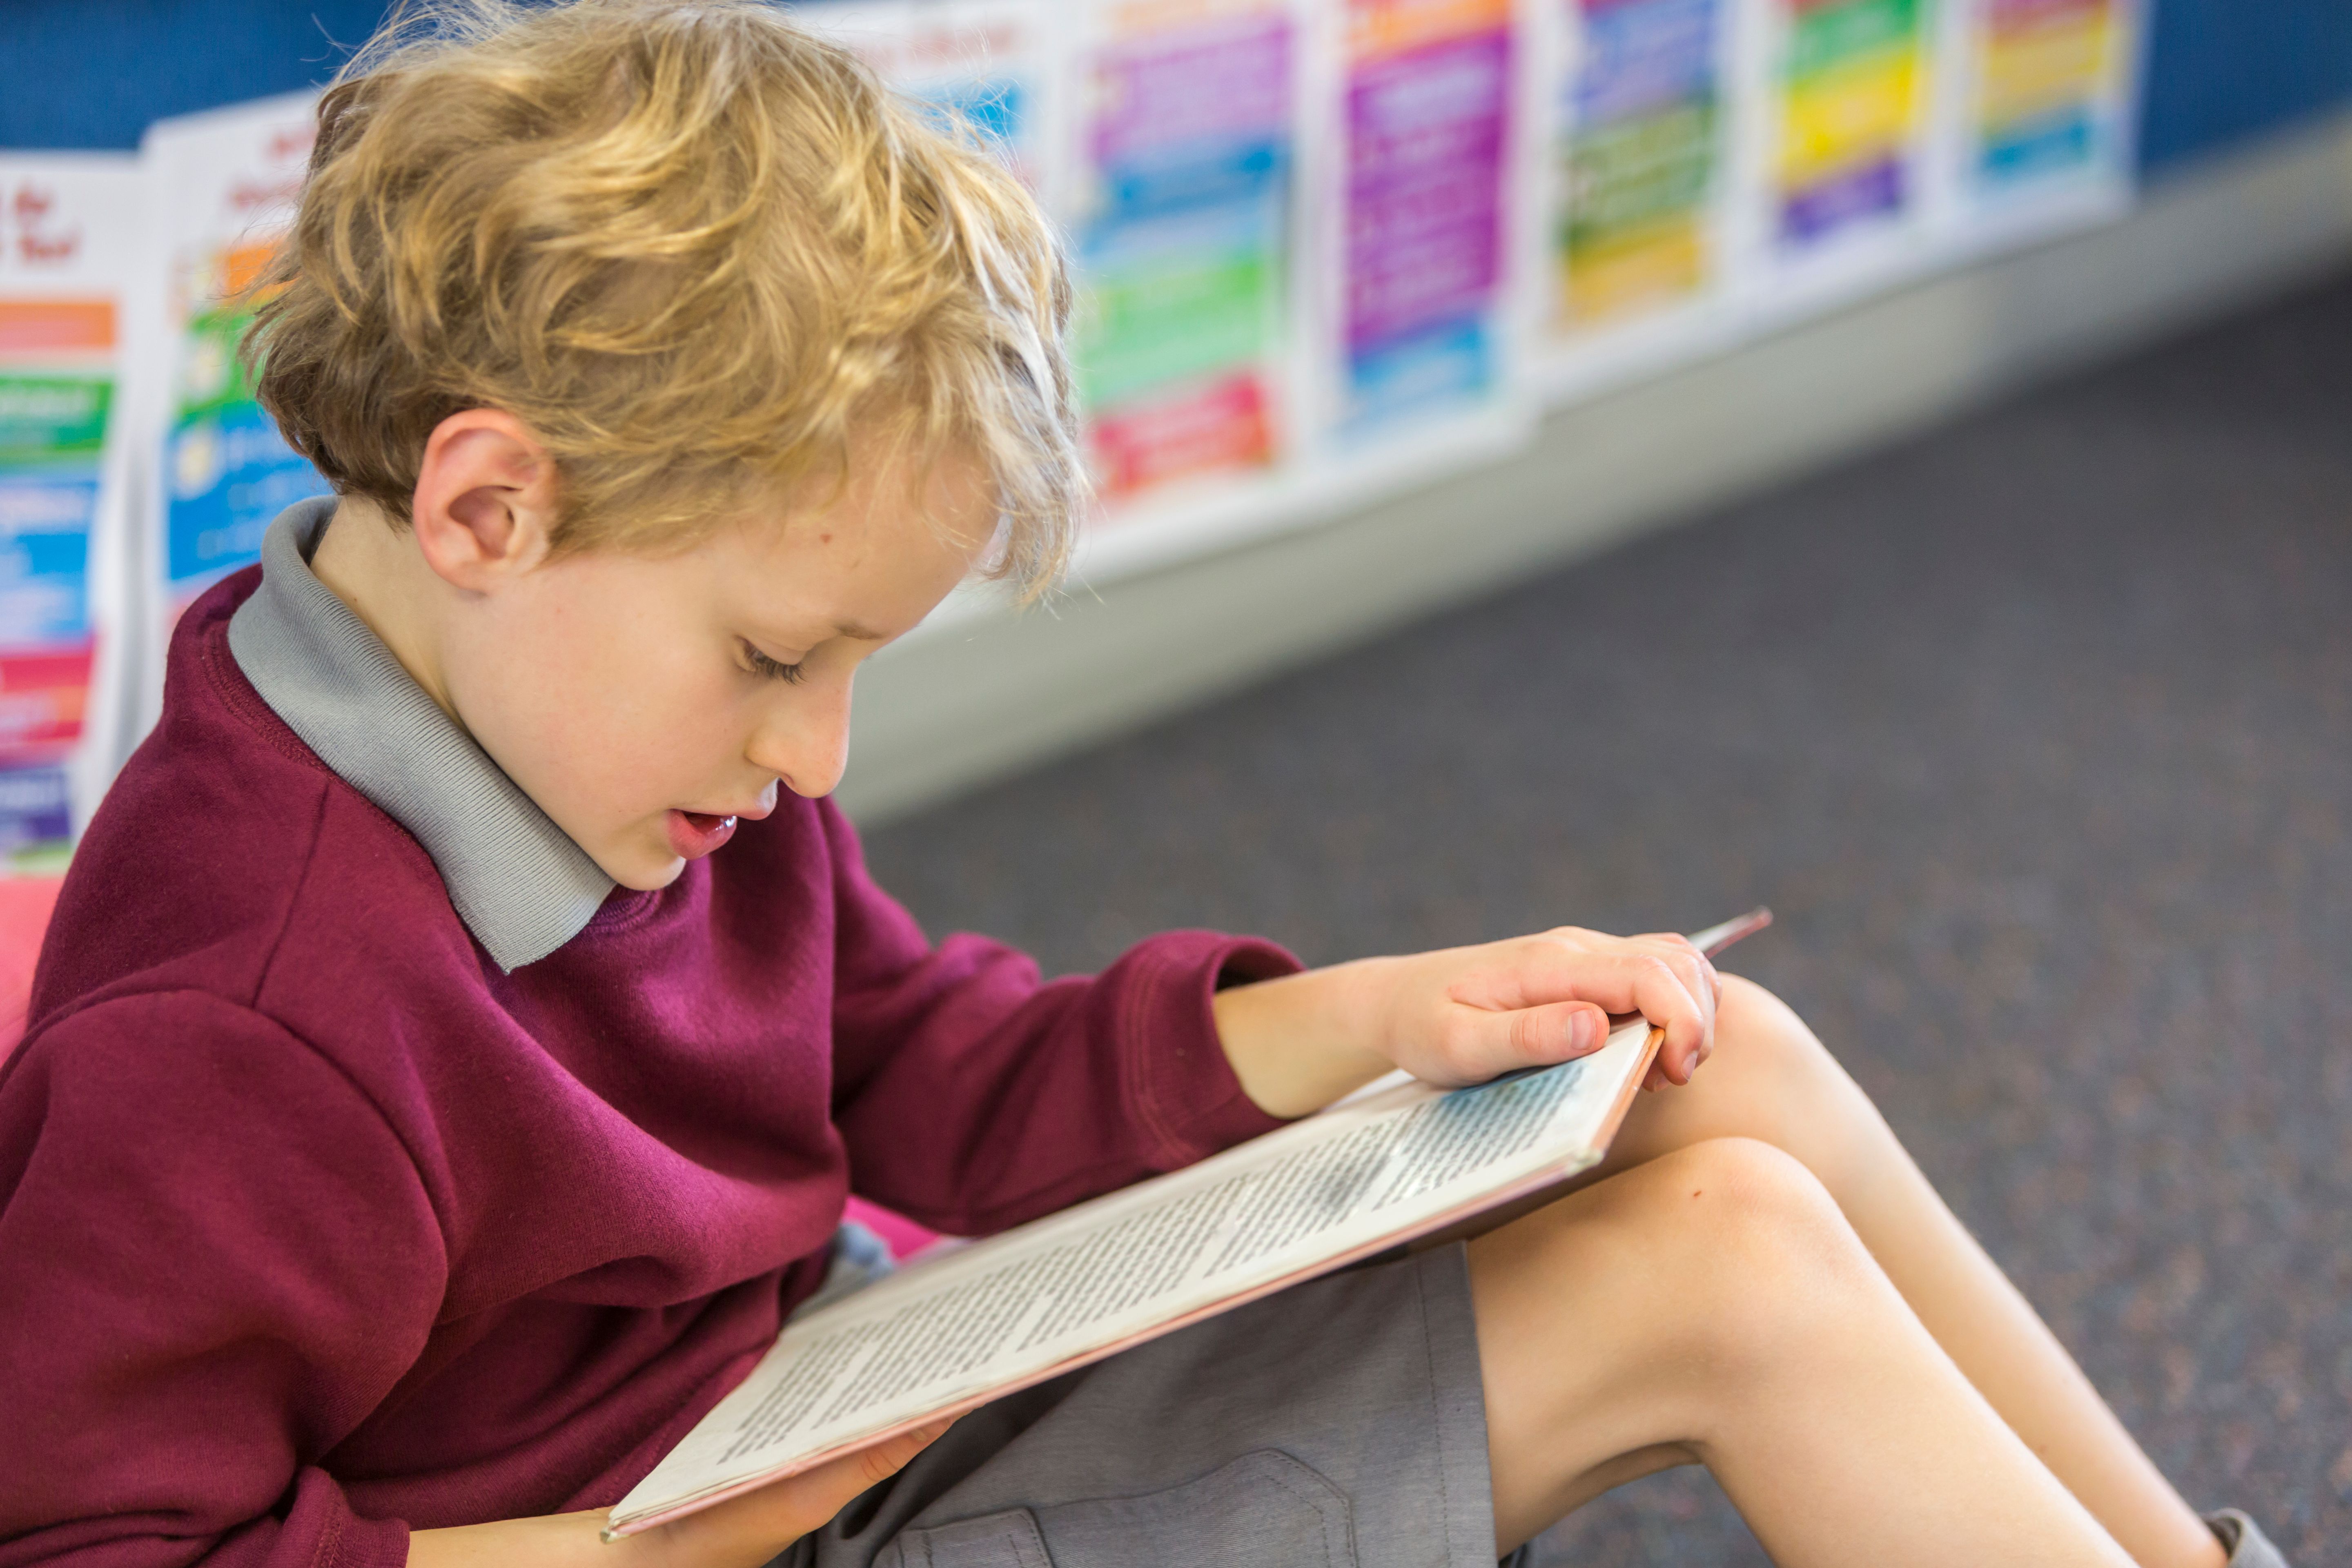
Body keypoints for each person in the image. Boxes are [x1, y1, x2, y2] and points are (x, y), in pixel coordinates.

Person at [0, 4, 2289, 1567]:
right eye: (780, 659)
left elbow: (916, 1062)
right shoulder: (246, 1022)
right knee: (1735, 1269)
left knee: (1719, 1070)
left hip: (856, 1391)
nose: (818, 761)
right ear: (489, 510)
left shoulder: (588, 740)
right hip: (750, 1532)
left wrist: (1393, 1022)